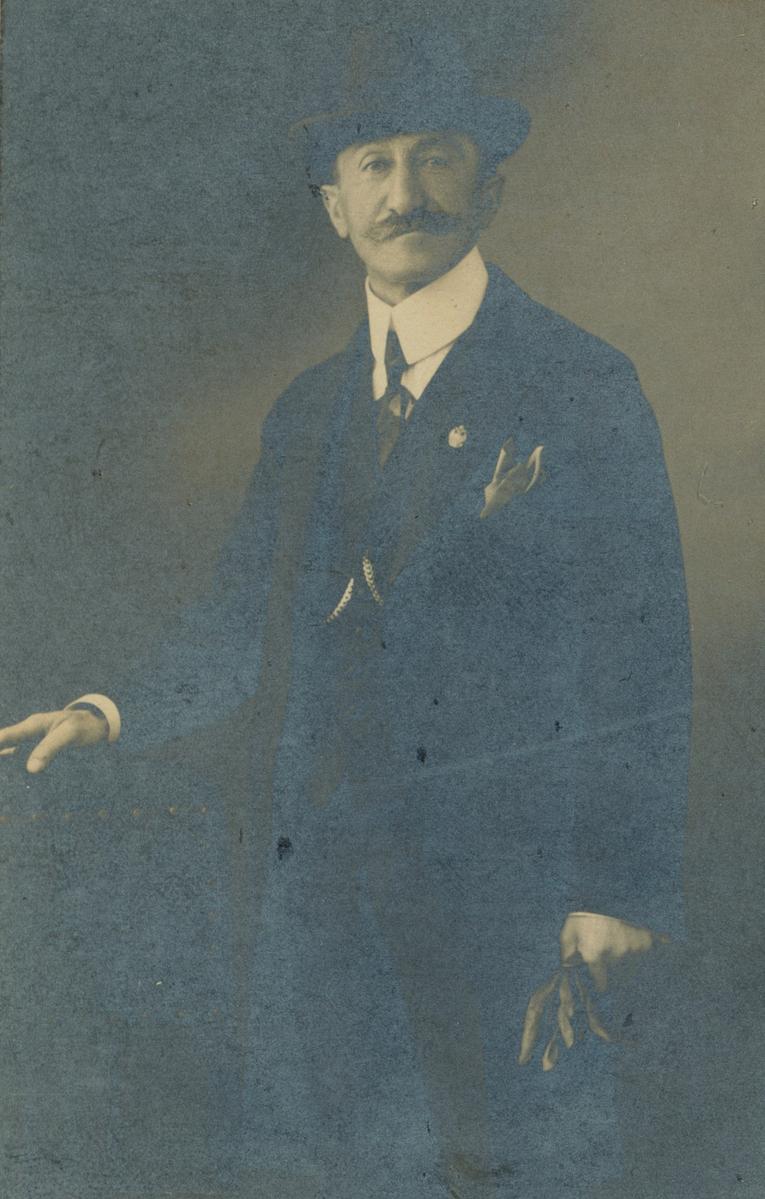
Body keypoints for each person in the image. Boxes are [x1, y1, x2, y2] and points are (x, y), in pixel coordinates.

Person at [0, 31, 691, 1199]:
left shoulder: (582, 382)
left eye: (435, 156)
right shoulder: (308, 409)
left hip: (507, 901)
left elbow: (643, 652)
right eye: (373, 163)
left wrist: (619, 886)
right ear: (332, 205)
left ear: (489, 183)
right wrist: (109, 709)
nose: (404, 190)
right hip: (318, 898)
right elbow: (240, 614)